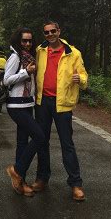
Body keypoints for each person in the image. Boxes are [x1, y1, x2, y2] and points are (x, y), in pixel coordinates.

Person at [34, 20, 88, 201]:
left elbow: (84, 77)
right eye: (46, 33)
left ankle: (76, 184)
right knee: (42, 141)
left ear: (59, 31)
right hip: (42, 103)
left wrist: (79, 78)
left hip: (62, 104)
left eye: (52, 31)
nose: (50, 35)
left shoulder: (73, 53)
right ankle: (42, 178)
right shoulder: (40, 51)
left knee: (67, 143)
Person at [4, 27, 45, 197]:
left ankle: (20, 183)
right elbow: (7, 80)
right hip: (16, 106)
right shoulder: (15, 57)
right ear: (18, 41)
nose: (27, 44)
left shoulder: (30, 57)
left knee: (22, 142)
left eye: (29, 41)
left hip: (28, 105)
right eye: (24, 41)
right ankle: (17, 171)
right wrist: (25, 72)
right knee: (40, 137)